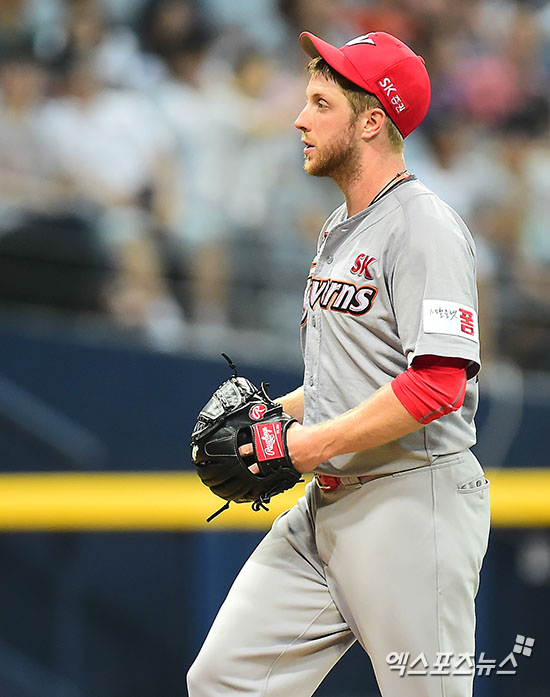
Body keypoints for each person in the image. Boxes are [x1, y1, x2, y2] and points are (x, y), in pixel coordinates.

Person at [187, 30, 491, 697]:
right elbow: (350, 374)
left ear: (372, 121)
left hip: (411, 501)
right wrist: (274, 417)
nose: (300, 118)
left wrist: (307, 444)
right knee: (223, 680)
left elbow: (438, 384)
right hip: (326, 504)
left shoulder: (423, 226)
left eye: (321, 104)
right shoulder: (339, 226)